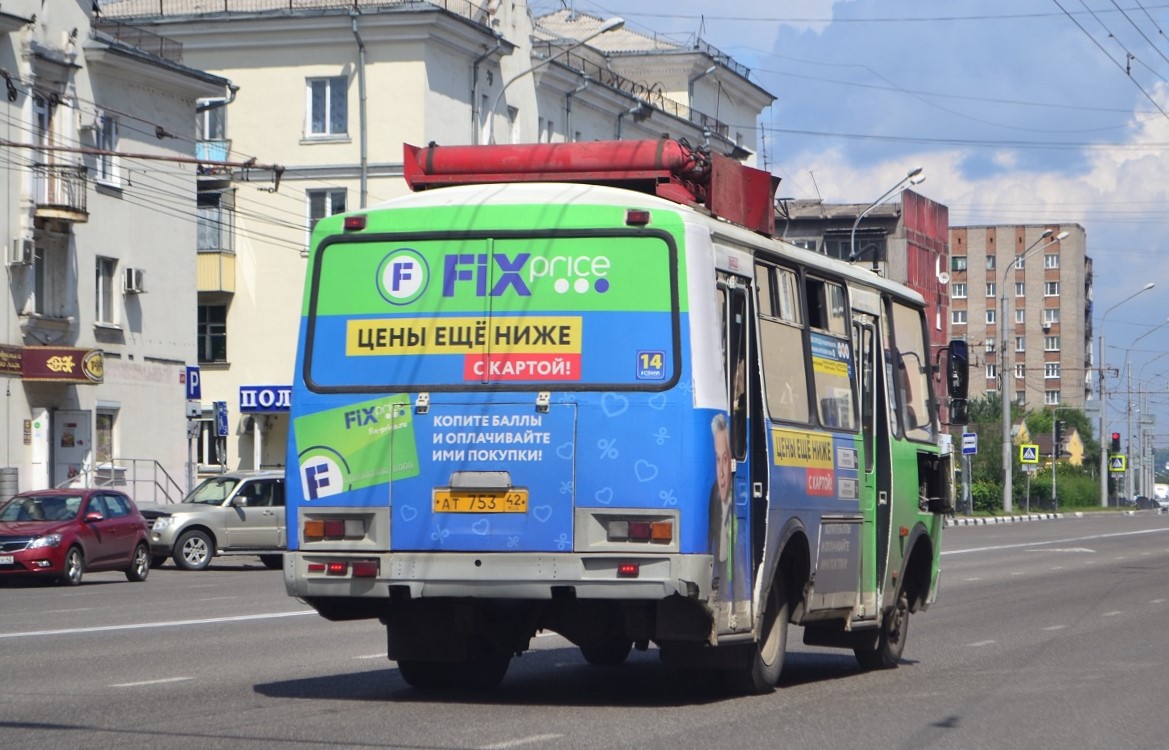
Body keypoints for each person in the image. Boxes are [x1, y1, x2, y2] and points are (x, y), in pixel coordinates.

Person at [708, 414, 735, 602]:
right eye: (717, 460)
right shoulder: (711, 504)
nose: (722, 474)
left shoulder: (740, 505)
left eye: (725, 460)